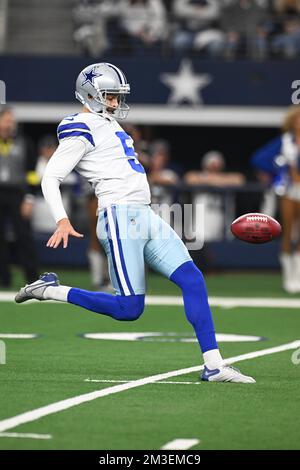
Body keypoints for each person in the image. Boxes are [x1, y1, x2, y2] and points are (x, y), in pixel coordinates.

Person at [15, 62, 255, 383]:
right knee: (129, 309)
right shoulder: (80, 125)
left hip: (144, 213)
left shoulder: (109, 123)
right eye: (110, 96)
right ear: (91, 94)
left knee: (193, 280)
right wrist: (61, 218)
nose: (115, 102)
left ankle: (214, 364)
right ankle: (50, 291)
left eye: (117, 96)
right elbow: (51, 177)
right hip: (118, 215)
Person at [251, 106, 300, 293]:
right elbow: (258, 158)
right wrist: (275, 173)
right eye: (298, 119)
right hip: (288, 189)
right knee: (288, 233)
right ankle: (289, 277)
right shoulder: (284, 141)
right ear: (292, 122)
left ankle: (298, 275)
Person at [0, 106, 39, 287]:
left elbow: (32, 173)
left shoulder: (24, 143)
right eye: (7, 120)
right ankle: (3, 279)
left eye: (12, 121)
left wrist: (29, 198)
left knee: (24, 235)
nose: (10, 124)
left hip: (18, 194)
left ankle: (33, 279)